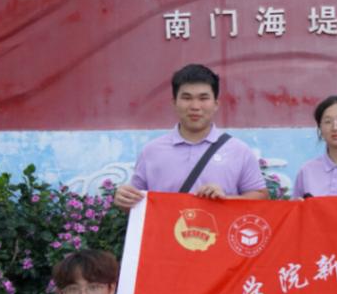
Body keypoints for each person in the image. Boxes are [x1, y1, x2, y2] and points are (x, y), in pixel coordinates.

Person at [113, 64, 267, 208]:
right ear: (174, 103)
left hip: (219, 229)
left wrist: (226, 200)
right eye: (187, 98)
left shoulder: (239, 150)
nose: (195, 106)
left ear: (216, 104)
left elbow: (261, 197)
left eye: (203, 98)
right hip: (167, 230)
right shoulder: (151, 152)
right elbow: (136, 203)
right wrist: (124, 200)